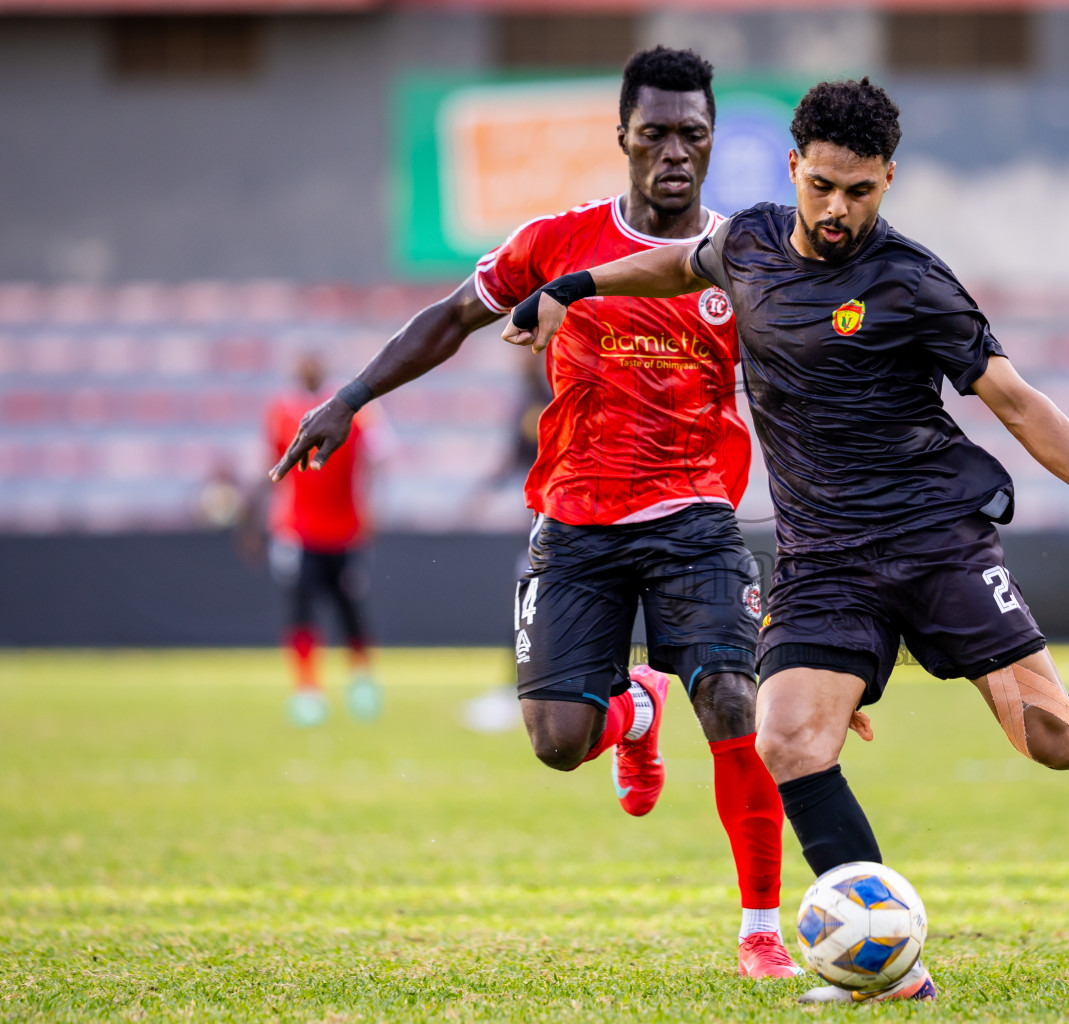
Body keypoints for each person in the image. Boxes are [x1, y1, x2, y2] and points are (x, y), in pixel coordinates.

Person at [506, 77, 1069, 1004]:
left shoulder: (913, 281)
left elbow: (1014, 400)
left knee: (1044, 733)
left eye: (860, 191)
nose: (837, 210)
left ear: (888, 182)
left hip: (934, 541)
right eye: (823, 185)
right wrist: (577, 284)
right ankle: (888, 964)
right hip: (823, 560)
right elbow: (678, 267)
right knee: (786, 739)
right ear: (794, 168)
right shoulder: (746, 242)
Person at [268, 47, 799, 980]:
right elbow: (448, 317)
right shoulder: (556, 242)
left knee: (731, 700)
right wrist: (351, 398)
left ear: (713, 143)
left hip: (695, 519)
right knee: (558, 743)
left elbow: (792, 409)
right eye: (657, 134)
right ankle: (633, 712)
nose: (676, 152)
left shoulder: (745, 257)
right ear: (623, 137)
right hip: (577, 522)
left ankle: (762, 930)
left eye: (695, 135)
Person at [258, 353, 389, 727]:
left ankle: (362, 683)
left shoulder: (358, 411)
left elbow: (379, 458)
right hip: (298, 531)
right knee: (301, 610)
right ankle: (307, 690)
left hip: (346, 531)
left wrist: (372, 507)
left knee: (351, 609)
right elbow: (270, 467)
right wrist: (263, 520)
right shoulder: (281, 412)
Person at [460, 350, 553, 736]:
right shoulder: (528, 404)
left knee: (532, 601)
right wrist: (484, 489)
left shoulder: (552, 396)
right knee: (529, 601)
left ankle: (522, 690)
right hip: (542, 518)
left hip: (563, 517)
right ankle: (522, 688)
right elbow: (516, 456)